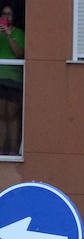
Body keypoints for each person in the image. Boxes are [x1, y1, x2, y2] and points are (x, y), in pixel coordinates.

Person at [0, 6, 22, 158]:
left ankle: (13, 150)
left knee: (12, 116)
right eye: (3, 14)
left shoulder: (19, 33)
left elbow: (20, 54)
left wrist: (9, 36)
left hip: (14, 79)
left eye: (9, 14)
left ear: (14, 16)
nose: (6, 16)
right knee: (2, 116)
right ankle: (2, 149)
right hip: (0, 78)